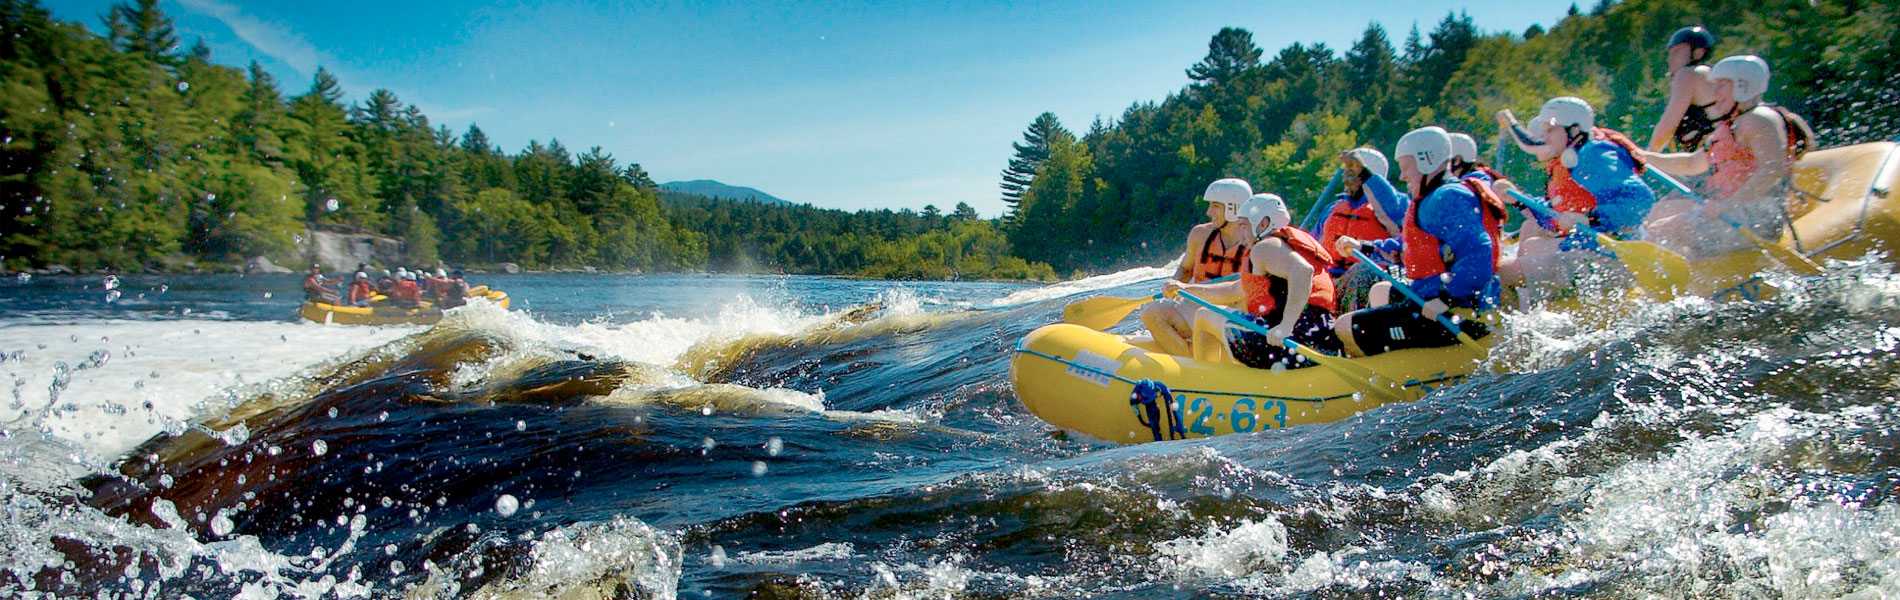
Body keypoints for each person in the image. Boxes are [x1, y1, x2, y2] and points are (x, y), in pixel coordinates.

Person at [1334, 126, 1505, 357]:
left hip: (1456, 311)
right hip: (1434, 298)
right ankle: (1396, 357)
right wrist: (1364, 247)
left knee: (1345, 327)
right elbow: (1409, 248)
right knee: (1381, 291)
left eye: (1405, 168)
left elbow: (1479, 252)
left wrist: (1447, 298)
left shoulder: (1447, 198)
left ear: (1427, 161)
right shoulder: (1433, 197)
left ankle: (1392, 374)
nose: (1402, 176)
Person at [1640, 55, 1810, 260]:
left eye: (1721, 86)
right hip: (1735, 213)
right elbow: (1691, 163)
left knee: (1660, 230)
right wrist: (1639, 156)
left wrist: (1727, 205)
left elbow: (1772, 171)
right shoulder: (1734, 124)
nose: (1714, 93)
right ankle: (1697, 274)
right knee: (1654, 217)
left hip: (1757, 218)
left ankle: (1680, 282)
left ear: (1742, 86)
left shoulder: (1758, 120)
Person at [1494, 97, 1657, 292]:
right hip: (1587, 248)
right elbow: (1557, 216)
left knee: (1502, 274)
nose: (1545, 138)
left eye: (1551, 130)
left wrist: (1591, 218)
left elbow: (1639, 199)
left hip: (1606, 256)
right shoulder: (1575, 159)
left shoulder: (1594, 155)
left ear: (1574, 130)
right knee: (1525, 249)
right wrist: (1518, 200)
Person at [1167, 193, 1341, 368]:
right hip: (1319, 339)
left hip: (1292, 343)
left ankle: (1206, 380)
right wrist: (1184, 289)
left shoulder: (1265, 247)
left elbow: (1303, 271)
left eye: (1243, 226)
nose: (1241, 237)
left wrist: (1285, 326)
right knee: (1212, 313)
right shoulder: (1282, 247)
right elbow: (1233, 291)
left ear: (1263, 224)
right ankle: (1225, 373)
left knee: (1204, 316)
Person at [1139, 178, 1257, 355]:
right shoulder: (1200, 234)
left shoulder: (1255, 242)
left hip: (1233, 310)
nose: (1209, 212)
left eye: (1216, 206)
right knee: (1151, 314)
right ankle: (1188, 365)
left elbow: (1242, 291)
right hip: (1196, 305)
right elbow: (1186, 270)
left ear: (1234, 208)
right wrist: (1175, 283)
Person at [1317, 147, 1407, 313]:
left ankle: (1351, 328)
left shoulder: (1391, 208)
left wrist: (1369, 178)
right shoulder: (1332, 209)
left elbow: (1398, 212)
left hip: (1369, 282)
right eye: (1346, 171)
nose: (1345, 177)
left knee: (1362, 271)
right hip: (1329, 281)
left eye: (1352, 171)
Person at [1648, 26, 1723, 152]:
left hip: (1719, 155)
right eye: (1670, 53)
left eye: (1676, 52)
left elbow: (1667, 126)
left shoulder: (1688, 74)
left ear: (1698, 53)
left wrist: (1646, 158)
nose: (1669, 58)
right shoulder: (1708, 74)